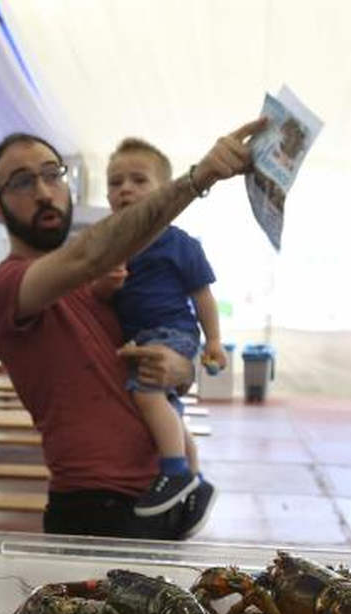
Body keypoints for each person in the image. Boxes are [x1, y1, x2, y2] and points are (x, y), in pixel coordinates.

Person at [0, 118, 265, 540]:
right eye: (22, 182)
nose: (43, 191)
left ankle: (187, 476)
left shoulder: (103, 287)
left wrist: (179, 369)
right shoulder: (5, 287)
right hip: (95, 502)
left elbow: (150, 358)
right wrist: (198, 178)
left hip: (158, 495)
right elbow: (87, 255)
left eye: (52, 174)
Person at [102, 137, 227, 515]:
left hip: (173, 331)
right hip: (141, 336)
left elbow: (202, 296)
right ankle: (197, 478)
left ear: (165, 192)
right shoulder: (109, 243)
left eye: (139, 180)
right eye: (115, 182)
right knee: (168, 406)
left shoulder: (179, 243)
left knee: (148, 394)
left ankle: (173, 471)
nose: (125, 188)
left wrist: (215, 342)